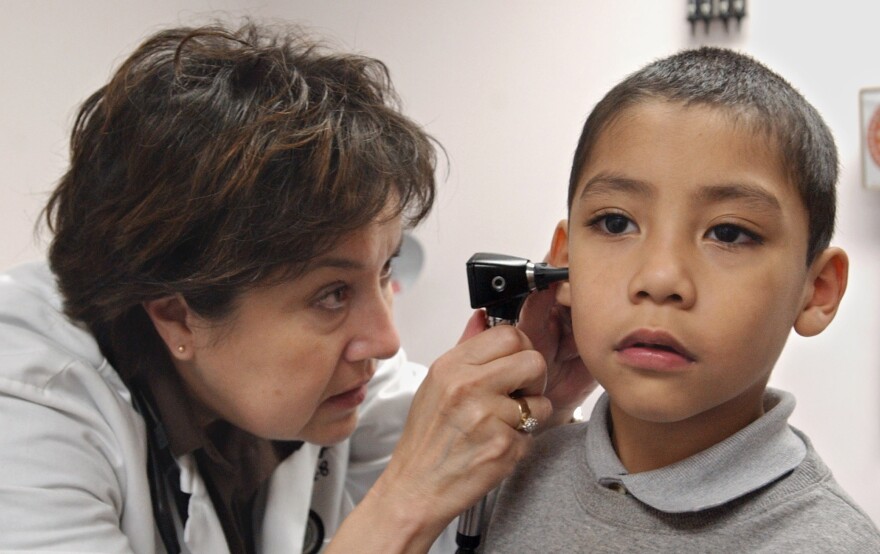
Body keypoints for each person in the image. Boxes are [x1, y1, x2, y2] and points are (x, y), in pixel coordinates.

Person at [0, 21, 592, 554]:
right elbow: (412, 504)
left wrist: (539, 400)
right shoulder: (27, 410)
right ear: (177, 315)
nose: (386, 341)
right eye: (332, 294)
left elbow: (467, 509)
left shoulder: (340, 381)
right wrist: (402, 505)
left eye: (384, 271)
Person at [482, 46, 880, 551]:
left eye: (730, 233)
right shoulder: (499, 475)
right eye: (616, 223)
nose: (660, 278)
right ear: (565, 265)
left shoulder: (825, 544)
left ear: (816, 291)